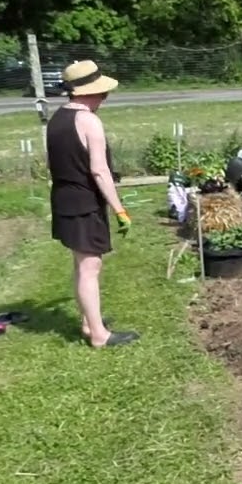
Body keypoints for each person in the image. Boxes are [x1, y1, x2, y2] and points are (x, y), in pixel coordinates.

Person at [47, 60, 139, 348]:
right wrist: (119, 209)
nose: (104, 99)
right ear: (90, 92)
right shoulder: (88, 121)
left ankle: (90, 322)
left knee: (81, 265)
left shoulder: (57, 118)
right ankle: (99, 336)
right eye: (102, 94)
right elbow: (100, 171)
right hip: (84, 203)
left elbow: (52, 162)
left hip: (64, 199)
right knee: (90, 267)